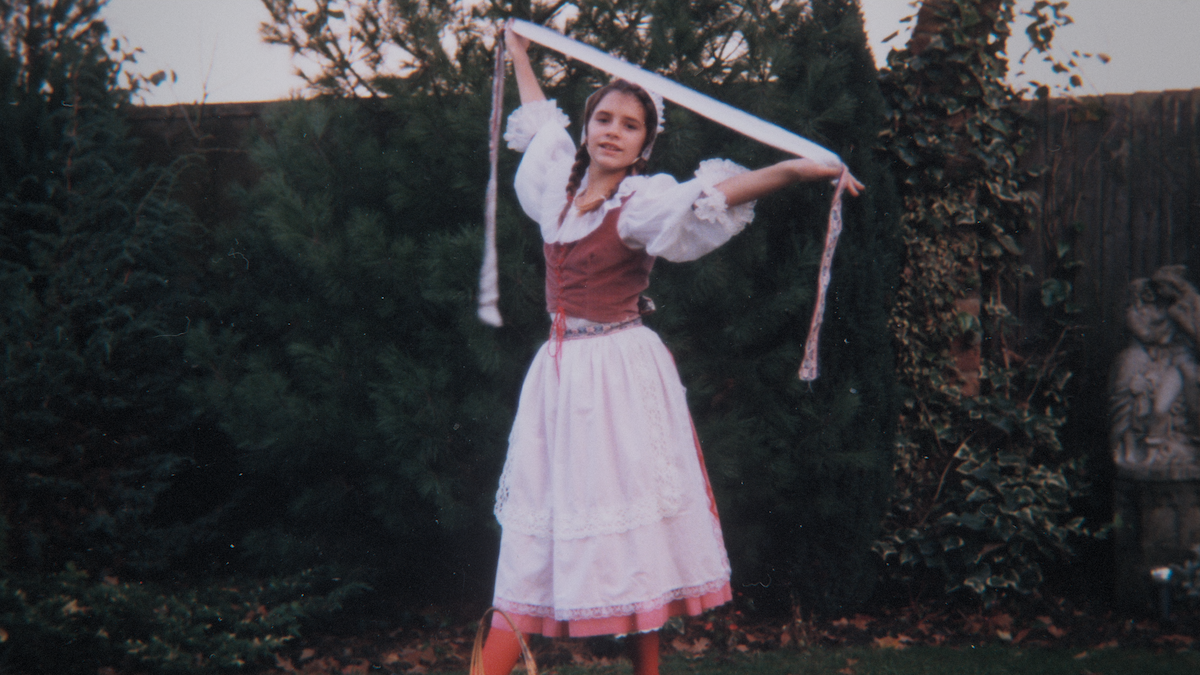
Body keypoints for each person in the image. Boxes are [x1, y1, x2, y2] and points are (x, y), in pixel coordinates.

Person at [480, 24, 864, 675]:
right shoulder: (557, 191)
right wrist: (518, 52)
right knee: (543, 518)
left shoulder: (639, 203)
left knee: (632, 521)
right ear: (588, 125)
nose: (611, 130)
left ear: (642, 144)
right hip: (561, 375)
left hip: (619, 375)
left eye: (629, 125)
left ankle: (647, 668)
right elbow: (539, 120)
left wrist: (794, 170)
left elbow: (710, 196)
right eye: (603, 117)